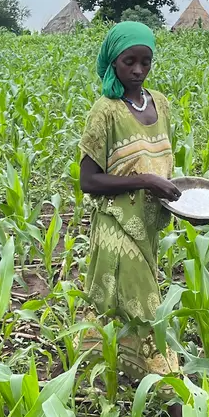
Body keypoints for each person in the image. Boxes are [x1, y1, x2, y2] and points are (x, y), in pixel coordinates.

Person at [79, 20, 182, 381]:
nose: (138, 70)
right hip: (117, 229)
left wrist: (178, 201)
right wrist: (144, 181)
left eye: (145, 62)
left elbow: (166, 167)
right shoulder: (105, 111)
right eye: (128, 62)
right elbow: (88, 181)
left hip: (149, 229)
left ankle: (104, 381)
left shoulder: (162, 105)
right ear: (112, 62)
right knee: (149, 310)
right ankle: (174, 398)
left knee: (117, 309)